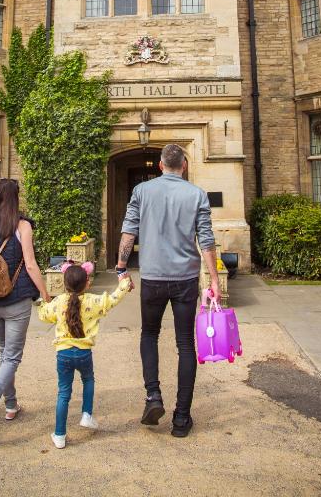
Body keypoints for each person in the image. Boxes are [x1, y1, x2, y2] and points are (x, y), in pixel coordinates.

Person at [118, 143, 220, 438]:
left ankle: (153, 396)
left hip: (152, 277)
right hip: (185, 278)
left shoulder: (142, 192)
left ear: (161, 166)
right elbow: (207, 240)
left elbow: (129, 231)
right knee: (186, 344)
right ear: (183, 166)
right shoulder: (196, 194)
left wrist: (122, 268)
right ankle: (181, 418)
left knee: (149, 334)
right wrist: (213, 279)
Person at [0, 178, 51, 444]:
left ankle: (11, 405)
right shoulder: (22, 225)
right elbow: (31, 265)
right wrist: (46, 295)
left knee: (4, 355)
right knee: (12, 358)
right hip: (16, 301)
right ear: (14, 198)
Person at [38, 261, 132, 449]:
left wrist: (43, 300)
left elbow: (44, 315)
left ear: (64, 284)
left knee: (64, 393)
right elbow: (113, 298)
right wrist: (124, 283)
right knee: (88, 380)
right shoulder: (93, 301)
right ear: (87, 283)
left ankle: (59, 435)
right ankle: (86, 414)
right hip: (84, 352)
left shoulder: (58, 303)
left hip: (63, 353)